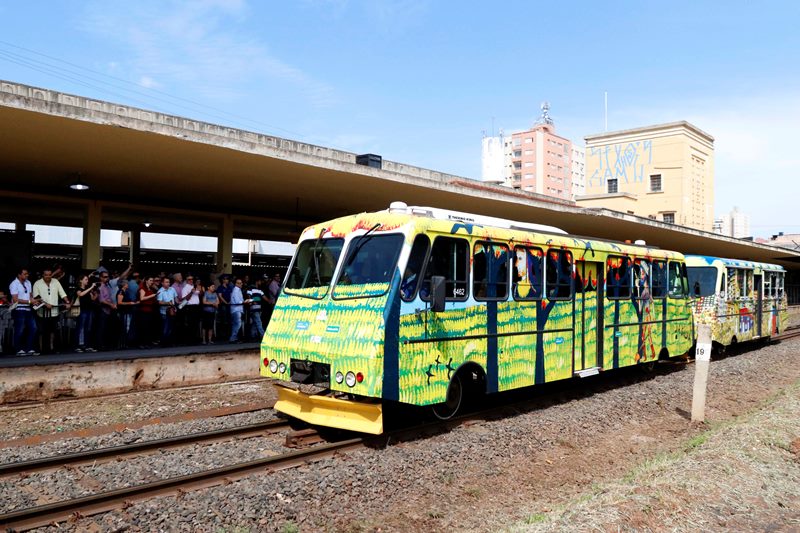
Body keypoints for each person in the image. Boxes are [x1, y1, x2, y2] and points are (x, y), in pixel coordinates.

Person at [32, 268, 70, 354]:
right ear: (43, 275)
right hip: (42, 312)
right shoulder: (37, 283)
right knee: (43, 331)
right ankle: (42, 349)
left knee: (53, 330)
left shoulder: (56, 282)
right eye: (46, 275)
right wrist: (46, 304)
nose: (48, 276)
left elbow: (62, 293)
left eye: (49, 275)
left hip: (54, 311)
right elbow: (36, 297)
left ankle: (52, 348)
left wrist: (67, 302)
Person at [9, 268, 38, 356]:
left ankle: (29, 348)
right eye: (25, 274)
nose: (27, 275)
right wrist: (30, 302)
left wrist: (35, 301)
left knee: (33, 328)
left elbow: (30, 296)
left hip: (28, 309)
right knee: (20, 329)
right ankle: (18, 349)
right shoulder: (14, 284)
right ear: (19, 275)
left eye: (27, 274)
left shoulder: (28, 282)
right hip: (19, 309)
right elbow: (15, 299)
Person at [74, 274, 98, 353]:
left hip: (89, 310)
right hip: (82, 310)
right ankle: (78, 345)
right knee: (80, 328)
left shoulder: (88, 289)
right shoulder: (78, 288)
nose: (87, 281)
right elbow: (80, 294)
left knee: (88, 328)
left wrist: (95, 294)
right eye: (86, 279)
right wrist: (91, 287)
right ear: (81, 280)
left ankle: (86, 345)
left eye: (87, 279)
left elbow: (92, 299)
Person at [96, 270, 117, 350]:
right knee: (101, 328)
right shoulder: (100, 287)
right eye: (105, 277)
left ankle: (105, 344)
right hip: (102, 309)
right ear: (100, 278)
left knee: (106, 328)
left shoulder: (107, 286)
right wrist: (111, 304)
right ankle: (100, 345)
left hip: (108, 310)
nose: (107, 278)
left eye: (108, 277)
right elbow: (101, 300)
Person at [137, 276, 158, 347]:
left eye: (152, 280)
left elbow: (154, 300)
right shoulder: (143, 289)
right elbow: (142, 298)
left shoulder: (151, 289)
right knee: (143, 327)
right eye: (150, 280)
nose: (152, 282)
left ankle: (147, 343)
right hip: (143, 310)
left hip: (150, 310)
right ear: (146, 281)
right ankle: (142, 343)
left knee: (148, 327)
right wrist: (152, 295)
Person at [116, 279, 138, 348]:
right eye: (127, 284)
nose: (128, 285)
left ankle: (125, 342)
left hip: (127, 311)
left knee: (127, 327)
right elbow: (119, 302)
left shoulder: (126, 292)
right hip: (123, 312)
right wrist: (129, 303)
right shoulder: (121, 292)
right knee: (124, 327)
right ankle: (122, 343)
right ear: (123, 285)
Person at [156, 276, 178, 346]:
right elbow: (159, 302)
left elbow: (176, 299)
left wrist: (180, 302)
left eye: (169, 282)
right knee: (165, 328)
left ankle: (169, 342)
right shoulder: (160, 291)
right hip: (164, 312)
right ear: (162, 283)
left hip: (173, 311)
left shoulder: (172, 289)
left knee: (171, 327)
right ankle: (163, 343)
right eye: (166, 282)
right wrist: (167, 303)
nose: (168, 283)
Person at [228, 277, 245, 343]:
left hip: (236, 309)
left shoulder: (238, 290)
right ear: (235, 284)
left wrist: (244, 301)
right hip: (236, 309)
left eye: (241, 283)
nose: (240, 284)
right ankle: (233, 338)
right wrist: (244, 302)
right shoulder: (236, 290)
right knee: (238, 324)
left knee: (235, 324)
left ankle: (234, 338)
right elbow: (238, 301)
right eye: (238, 283)